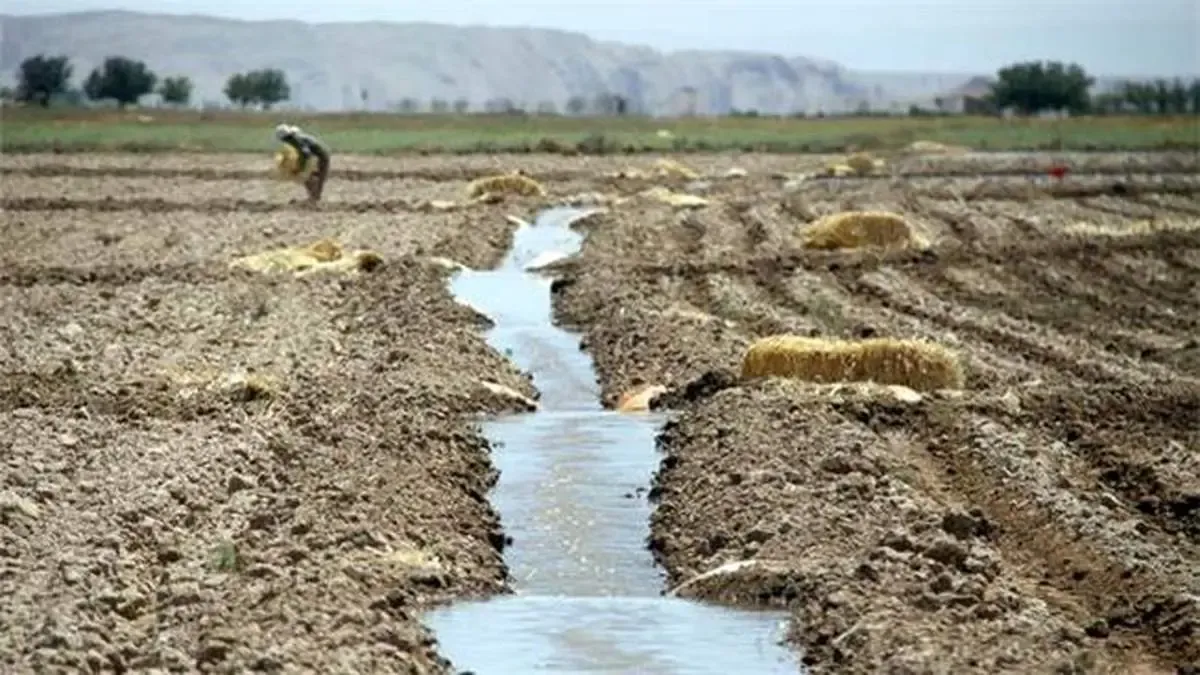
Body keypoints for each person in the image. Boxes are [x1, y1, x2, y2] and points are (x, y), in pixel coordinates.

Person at [274, 123, 330, 202]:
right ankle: (314, 198)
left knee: (312, 178)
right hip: (319, 156)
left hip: (321, 156)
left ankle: (314, 198)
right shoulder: (295, 138)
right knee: (311, 177)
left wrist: (301, 167)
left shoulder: (296, 140)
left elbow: (306, 154)